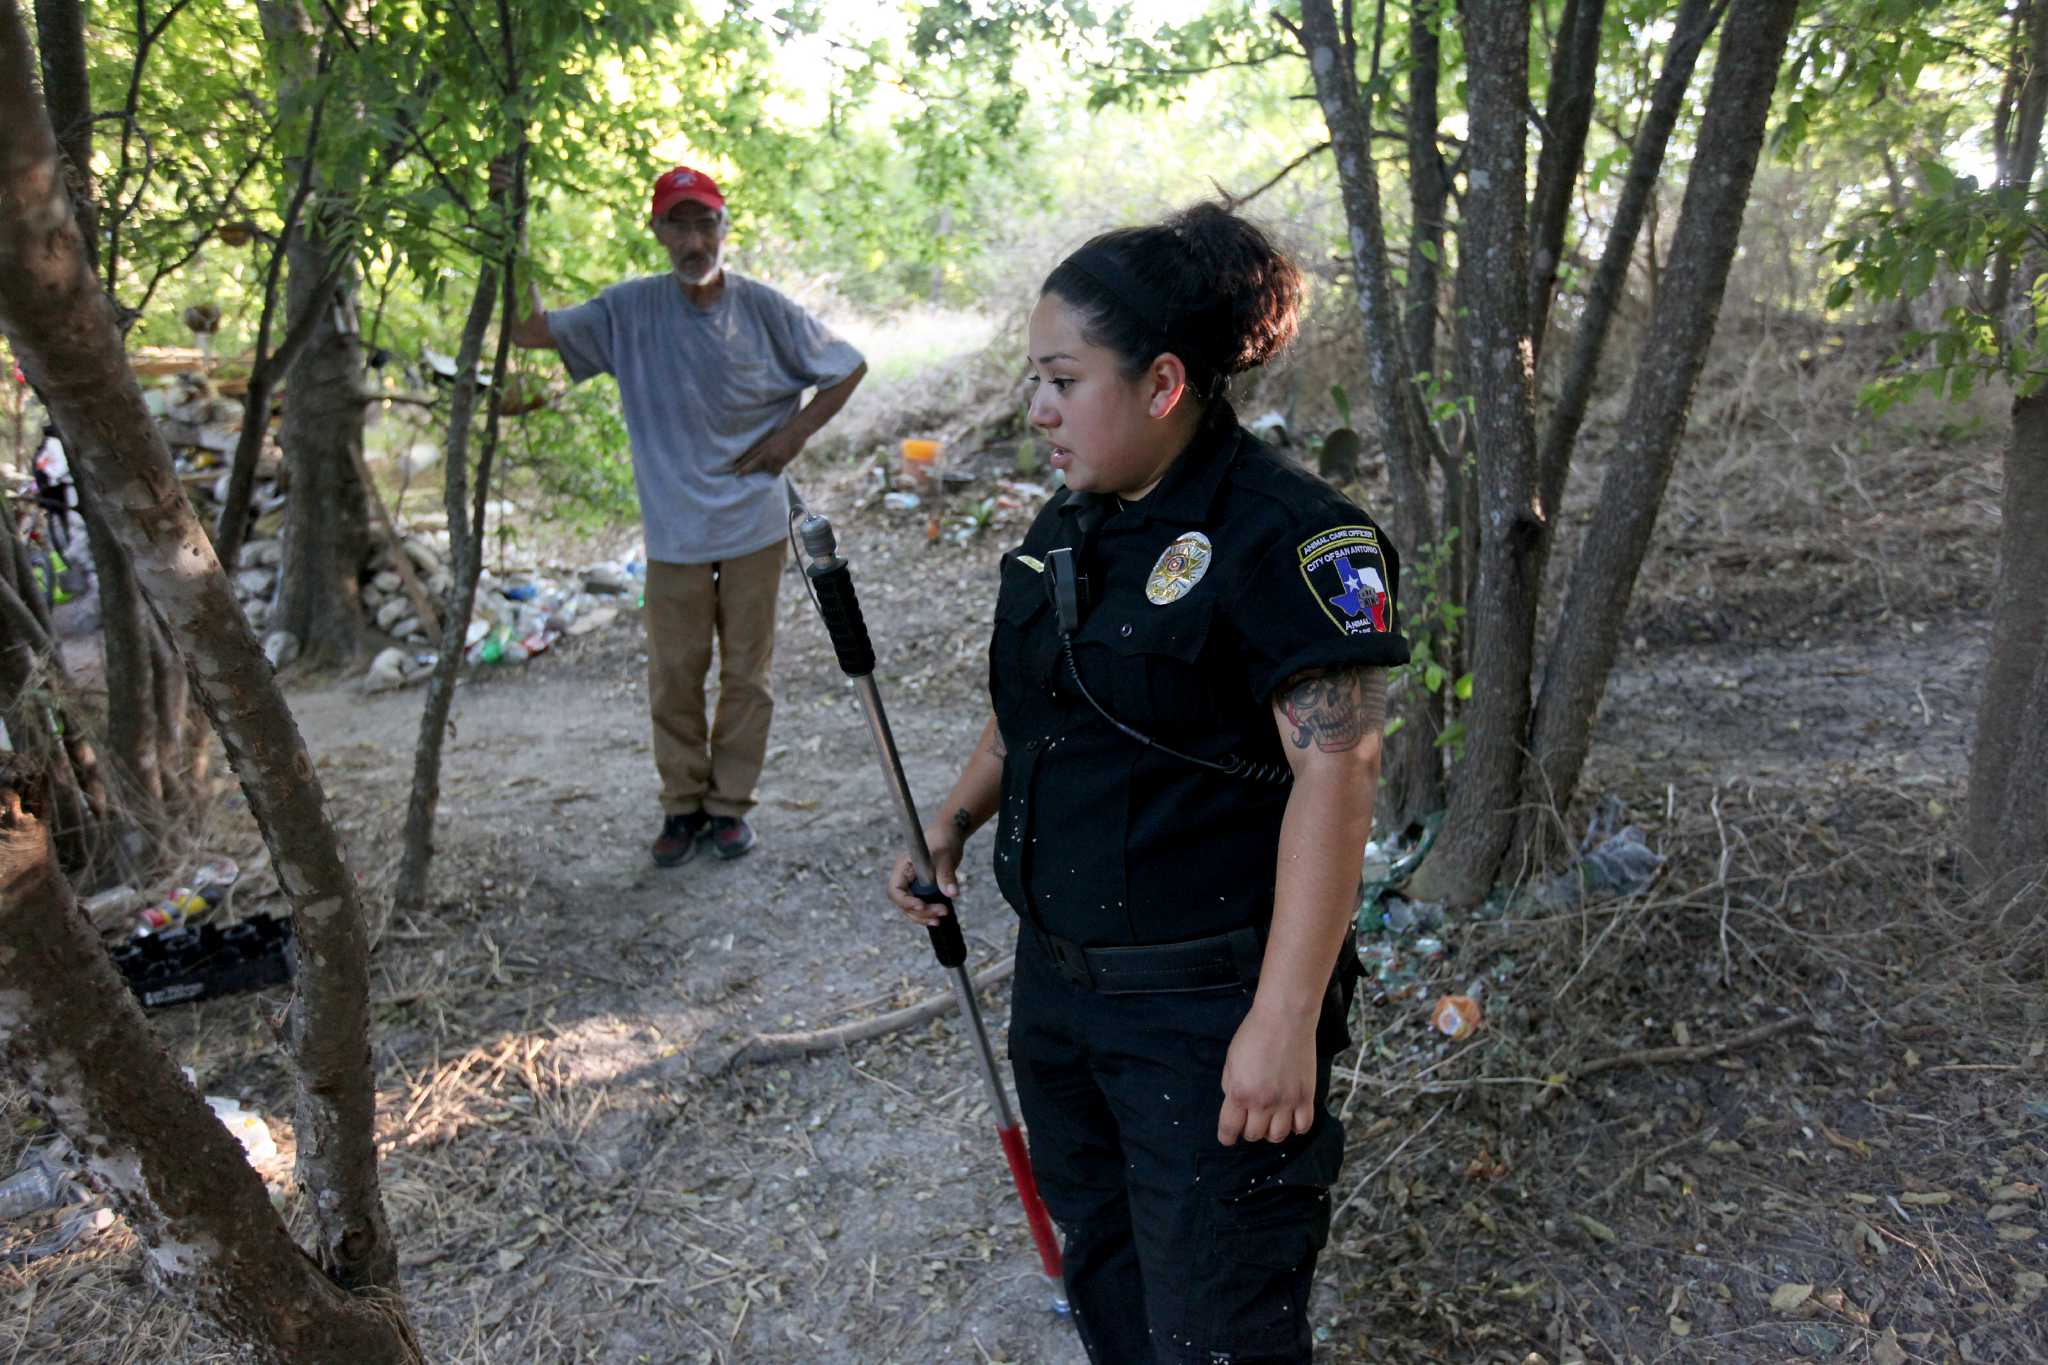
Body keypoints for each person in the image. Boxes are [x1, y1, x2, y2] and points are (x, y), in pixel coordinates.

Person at [885, 203, 1408, 1363]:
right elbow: (1039, 700)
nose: (1036, 410)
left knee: (1217, 1319)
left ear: (1164, 381)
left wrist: (1280, 1020)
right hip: (1061, 995)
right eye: (1035, 379)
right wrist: (954, 821)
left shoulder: (1292, 536)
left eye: (1062, 380)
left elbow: (1338, 769)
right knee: (1108, 1281)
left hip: (1204, 1012)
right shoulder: (1072, 521)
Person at [507, 164, 866, 869]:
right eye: (680, 223)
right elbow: (527, 330)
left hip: (754, 527)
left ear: (725, 228)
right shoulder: (628, 312)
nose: (695, 238)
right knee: (674, 673)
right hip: (672, 533)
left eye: (706, 222)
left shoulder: (764, 309)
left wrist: (792, 437)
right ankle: (681, 804)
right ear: (658, 232)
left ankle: (729, 806)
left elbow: (846, 365)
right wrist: (508, 227)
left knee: (747, 674)